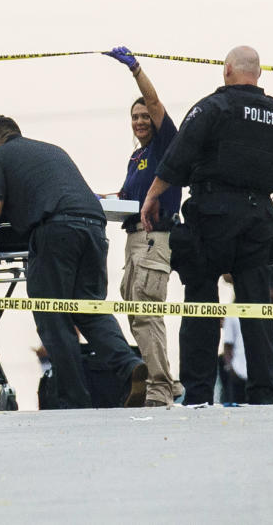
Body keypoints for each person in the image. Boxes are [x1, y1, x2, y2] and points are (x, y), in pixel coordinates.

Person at [141, 45, 273, 405]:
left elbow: (178, 154)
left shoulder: (212, 107)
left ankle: (199, 394)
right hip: (258, 221)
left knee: (201, 302)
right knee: (255, 306)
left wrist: (153, 195)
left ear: (227, 70)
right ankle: (264, 395)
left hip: (211, 215)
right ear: (259, 74)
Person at [0, 115, 147, 409]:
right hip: (95, 226)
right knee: (90, 308)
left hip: (57, 230)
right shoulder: (52, 150)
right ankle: (129, 367)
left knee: (52, 314)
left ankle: (74, 400)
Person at [103, 46, 181, 407]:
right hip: (133, 239)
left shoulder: (166, 145)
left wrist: (135, 68)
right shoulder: (137, 156)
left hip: (154, 239)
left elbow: (155, 100)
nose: (140, 121)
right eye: (135, 116)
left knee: (148, 313)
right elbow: (126, 194)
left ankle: (160, 387)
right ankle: (166, 381)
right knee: (137, 314)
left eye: (145, 115)